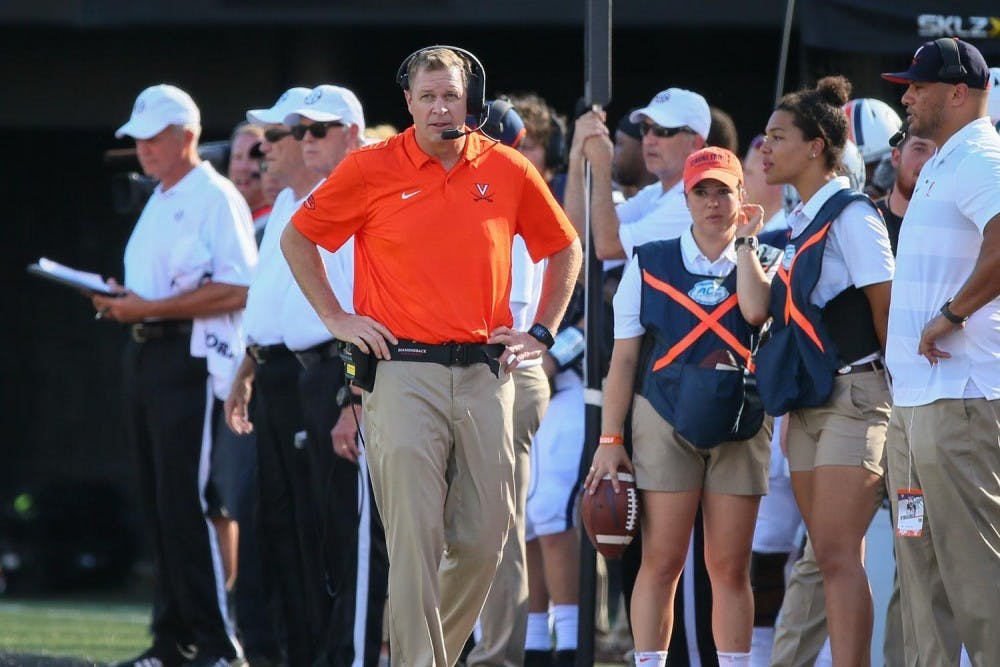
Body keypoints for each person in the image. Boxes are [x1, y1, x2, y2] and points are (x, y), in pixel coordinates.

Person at [280, 46, 582, 667]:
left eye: (452, 95)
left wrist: (543, 332)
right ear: (409, 103)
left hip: (487, 372)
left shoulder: (506, 167)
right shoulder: (370, 167)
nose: (442, 107)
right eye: (429, 96)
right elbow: (298, 238)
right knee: (415, 540)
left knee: (486, 538)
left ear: (469, 101)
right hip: (401, 370)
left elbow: (565, 247)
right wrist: (338, 319)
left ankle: (424, 659)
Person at [586, 146, 775, 667]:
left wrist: (746, 244)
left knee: (730, 568)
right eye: (701, 191)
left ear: (743, 195)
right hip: (663, 415)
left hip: (741, 417)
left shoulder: (766, 254)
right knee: (661, 562)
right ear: (686, 198)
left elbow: (757, 310)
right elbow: (622, 361)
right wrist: (610, 441)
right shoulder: (649, 259)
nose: (713, 202)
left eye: (723, 190)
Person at [93, 84, 257, 667]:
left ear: (186, 136)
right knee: (159, 500)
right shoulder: (160, 199)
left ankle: (215, 642)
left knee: (188, 501)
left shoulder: (215, 196)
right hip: (146, 355)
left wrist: (147, 309)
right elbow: (159, 289)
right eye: (136, 139)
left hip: (189, 361)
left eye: (153, 137)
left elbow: (240, 287)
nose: (143, 149)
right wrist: (126, 302)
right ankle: (172, 639)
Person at [735, 75, 894, 667]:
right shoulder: (797, 220)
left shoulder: (852, 214)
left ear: (816, 146)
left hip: (855, 392)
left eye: (777, 137)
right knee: (824, 553)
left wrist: (897, 402)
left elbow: (887, 309)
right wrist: (747, 239)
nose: (765, 149)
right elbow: (756, 308)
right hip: (804, 403)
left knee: (835, 552)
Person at [881, 38, 1000, 666]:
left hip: (959, 403)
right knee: (920, 575)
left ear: (958, 93)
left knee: (975, 580)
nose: (907, 95)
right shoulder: (943, 162)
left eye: (918, 85)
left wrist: (953, 314)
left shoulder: (981, 153)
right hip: (916, 406)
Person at [283, 84, 390, 667]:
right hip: (327, 368)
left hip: (354, 371)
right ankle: (336, 651)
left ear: (353, 132)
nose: (305, 141)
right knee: (327, 530)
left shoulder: (370, 190)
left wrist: (354, 393)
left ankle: (356, 656)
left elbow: (363, 309)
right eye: (299, 132)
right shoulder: (328, 196)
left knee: (360, 535)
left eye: (316, 130)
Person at [226, 85, 331, 667]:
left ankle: (317, 652)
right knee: (273, 526)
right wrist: (246, 366)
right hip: (273, 373)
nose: (267, 150)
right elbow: (267, 302)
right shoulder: (289, 203)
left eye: (279, 137)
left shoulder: (328, 198)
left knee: (312, 530)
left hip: (313, 373)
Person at [465, 98, 553, 667]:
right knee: (469, 527)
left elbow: (506, 316)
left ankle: (496, 658)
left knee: (496, 526)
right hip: (477, 370)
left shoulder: (507, 193)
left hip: (503, 368)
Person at [564, 87, 711, 259]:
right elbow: (580, 234)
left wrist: (602, 166)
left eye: (662, 130)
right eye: (645, 128)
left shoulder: (691, 203)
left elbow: (607, 247)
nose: (649, 140)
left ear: (696, 142)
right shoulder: (654, 193)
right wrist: (576, 156)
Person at [874, 132, 935, 253]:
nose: (930, 161)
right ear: (896, 157)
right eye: (919, 149)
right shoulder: (870, 220)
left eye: (937, 152)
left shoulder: (948, 226)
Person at [228, 122, 273, 240]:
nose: (243, 167)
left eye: (254, 157)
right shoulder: (220, 217)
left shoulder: (276, 222)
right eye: (237, 157)